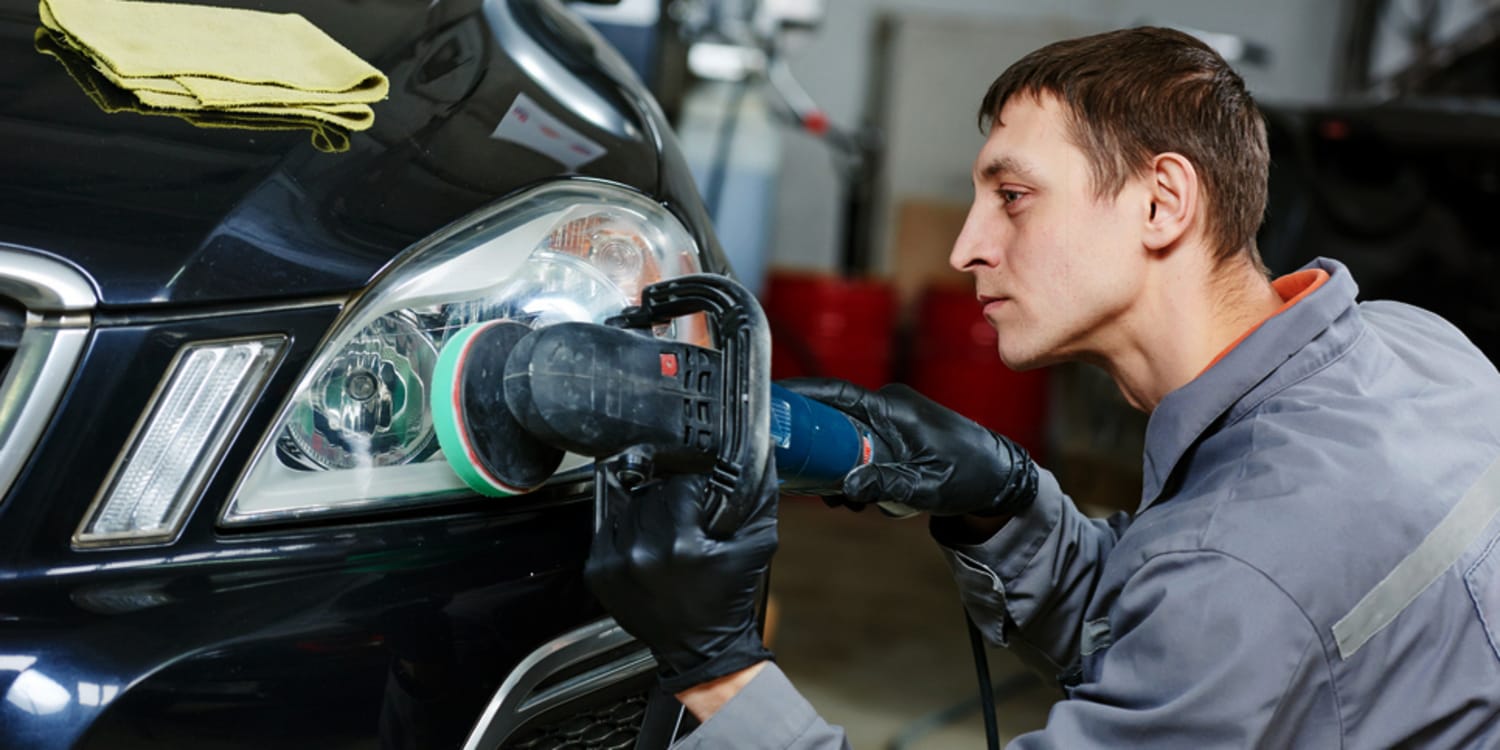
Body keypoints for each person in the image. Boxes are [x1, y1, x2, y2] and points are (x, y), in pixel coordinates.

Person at [585, 26, 1500, 747]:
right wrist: (1010, 506)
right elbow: (1198, 638)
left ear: (1161, 203)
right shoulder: (1417, 346)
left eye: (1013, 195)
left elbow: (1232, 604)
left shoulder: (1245, 562)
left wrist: (719, 674)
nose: (966, 246)